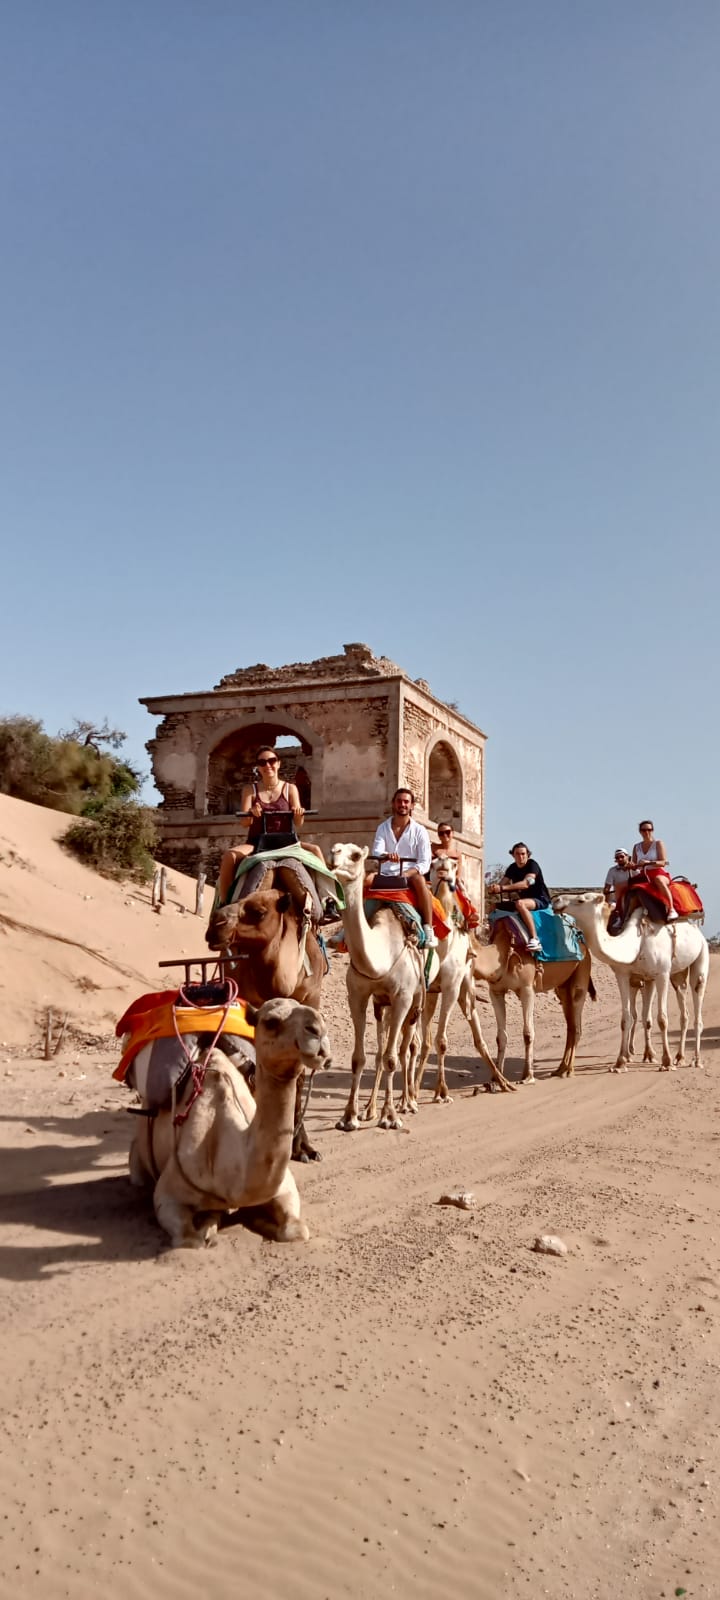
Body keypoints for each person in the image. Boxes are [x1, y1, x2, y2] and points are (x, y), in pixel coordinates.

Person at [217, 745, 323, 904]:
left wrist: (298, 813)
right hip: (258, 842)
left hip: (287, 842)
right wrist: (252, 812)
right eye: (262, 762)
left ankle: (327, 900)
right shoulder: (250, 790)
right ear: (258, 767)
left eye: (272, 761)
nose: (268, 765)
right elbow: (245, 823)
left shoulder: (290, 789)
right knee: (229, 856)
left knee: (316, 851)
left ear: (278, 763)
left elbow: (298, 823)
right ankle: (224, 905)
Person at [370, 788, 438, 948]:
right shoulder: (383, 828)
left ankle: (428, 928)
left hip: (410, 875)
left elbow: (424, 862)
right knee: (364, 880)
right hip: (386, 873)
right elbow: (376, 852)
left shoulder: (420, 831)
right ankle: (347, 926)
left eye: (406, 801)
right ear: (393, 804)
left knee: (419, 880)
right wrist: (387, 856)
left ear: (412, 805)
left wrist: (406, 873)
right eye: (399, 801)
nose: (402, 804)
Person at [495, 842, 550, 952]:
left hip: (540, 899)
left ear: (527, 854)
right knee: (494, 907)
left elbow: (526, 883)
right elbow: (501, 884)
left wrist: (502, 888)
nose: (521, 857)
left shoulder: (532, 865)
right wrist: (494, 888)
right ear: (513, 855)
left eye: (523, 854)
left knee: (520, 904)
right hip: (523, 900)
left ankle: (535, 939)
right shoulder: (512, 868)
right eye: (517, 854)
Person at [432, 823, 479, 928]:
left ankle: (465, 918)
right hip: (434, 880)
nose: (445, 835)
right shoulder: (433, 848)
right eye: (441, 833)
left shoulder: (457, 853)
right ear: (438, 835)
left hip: (450, 881)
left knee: (461, 896)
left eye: (447, 832)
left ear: (452, 834)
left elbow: (458, 874)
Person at [631, 820, 676, 920]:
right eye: (644, 830)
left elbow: (663, 862)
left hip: (658, 873)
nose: (646, 832)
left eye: (649, 829)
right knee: (625, 886)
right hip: (643, 876)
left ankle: (672, 909)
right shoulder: (636, 847)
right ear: (640, 832)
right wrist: (630, 865)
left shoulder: (658, 843)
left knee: (659, 880)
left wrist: (648, 863)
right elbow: (635, 865)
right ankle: (621, 915)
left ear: (652, 830)